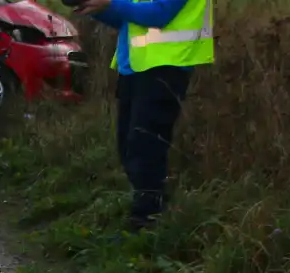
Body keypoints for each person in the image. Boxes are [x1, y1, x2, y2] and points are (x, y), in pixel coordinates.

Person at [74, 0, 213, 231]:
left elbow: (159, 15)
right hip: (135, 67)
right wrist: (96, 8)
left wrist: (110, 3)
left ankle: (146, 221)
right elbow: (126, 19)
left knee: (145, 147)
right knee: (128, 148)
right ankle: (151, 209)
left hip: (167, 66)